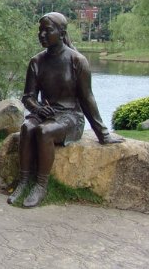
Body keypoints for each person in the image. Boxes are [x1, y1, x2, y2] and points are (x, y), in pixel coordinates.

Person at [8, 12, 123, 208]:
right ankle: (24, 181)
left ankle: (41, 185)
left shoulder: (77, 61)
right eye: (40, 31)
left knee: (44, 132)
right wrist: (38, 108)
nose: (42, 35)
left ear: (61, 33)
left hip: (70, 117)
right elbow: (28, 97)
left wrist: (103, 133)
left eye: (47, 30)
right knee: (27, 128)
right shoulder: (36, 62)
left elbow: (87, 98)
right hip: (45, 113)